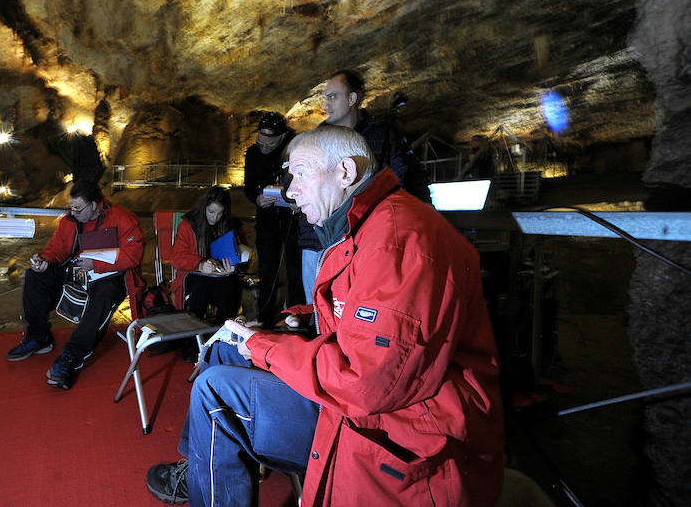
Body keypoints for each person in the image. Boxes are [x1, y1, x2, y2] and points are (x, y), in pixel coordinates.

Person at [146, 126, 503, 506]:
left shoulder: (397, 243)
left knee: (214, 390)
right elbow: (368, 320)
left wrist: (265, 346)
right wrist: (302, 318)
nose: (290, 190)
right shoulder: (364, 226)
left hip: (398, 430)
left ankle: (210, 465)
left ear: (345, 172)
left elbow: (366, 383)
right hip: (373, 401)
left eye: (300, 173)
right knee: (224, 351)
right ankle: (199, 461)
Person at [298, 70, 430, 303]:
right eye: (325, 96)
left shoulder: (383, 135)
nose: (325, 103)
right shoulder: (315, 138)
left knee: (360, 312)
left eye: (332, 96)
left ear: (352, 99)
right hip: (318, 241)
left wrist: (422, 226)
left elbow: (408, 177)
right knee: (318, 313)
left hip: (365, 243)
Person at [6, 179, 144, 390]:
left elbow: (133, 255)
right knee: (35, 277)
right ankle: (39, 336)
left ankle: (71, 357)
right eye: (70, 207)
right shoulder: (69, 221)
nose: (73, 212)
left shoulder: (124, 219)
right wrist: (45, 260)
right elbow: (57, 248)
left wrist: (95, 263)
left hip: (110, 276)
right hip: (76, 270)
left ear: (95, 205)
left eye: (78, 208)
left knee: (105, 297)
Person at [243, 111, 304, 328]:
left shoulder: (294, 150)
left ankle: (298, 317)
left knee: (295, 269)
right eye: (262, 135)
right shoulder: (252, 153)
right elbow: (248, 186)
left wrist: (297, 199)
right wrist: (257, 198)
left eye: (270, 137)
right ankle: (265, 318)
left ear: (281, 136)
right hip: (267, 218)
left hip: (293, 219)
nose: (265, 142)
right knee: (266, 270)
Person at [170, 186, 248, 323]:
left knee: (229, 287)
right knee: (201, 288)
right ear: (204, 207)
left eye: (220, 213)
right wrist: (199, 264)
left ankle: (223, 331)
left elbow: (243, 253)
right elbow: (177, 258)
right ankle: (193, 337)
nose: (215, 217)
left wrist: (236, 266)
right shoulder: (189, 225)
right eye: (211, 212)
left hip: (222, 276)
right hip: (195, 275)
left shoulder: (231, 225)